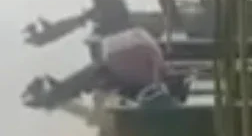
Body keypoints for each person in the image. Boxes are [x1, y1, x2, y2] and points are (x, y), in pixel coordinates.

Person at [21, 26, 189, 110]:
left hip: (109, 49)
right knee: (88, 81)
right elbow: (155, 90)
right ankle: (50, 98)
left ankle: (54, 92)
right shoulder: (153, 70)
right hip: (114, 60)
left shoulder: (154, 51)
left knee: (86, 79)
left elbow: (138, 32)